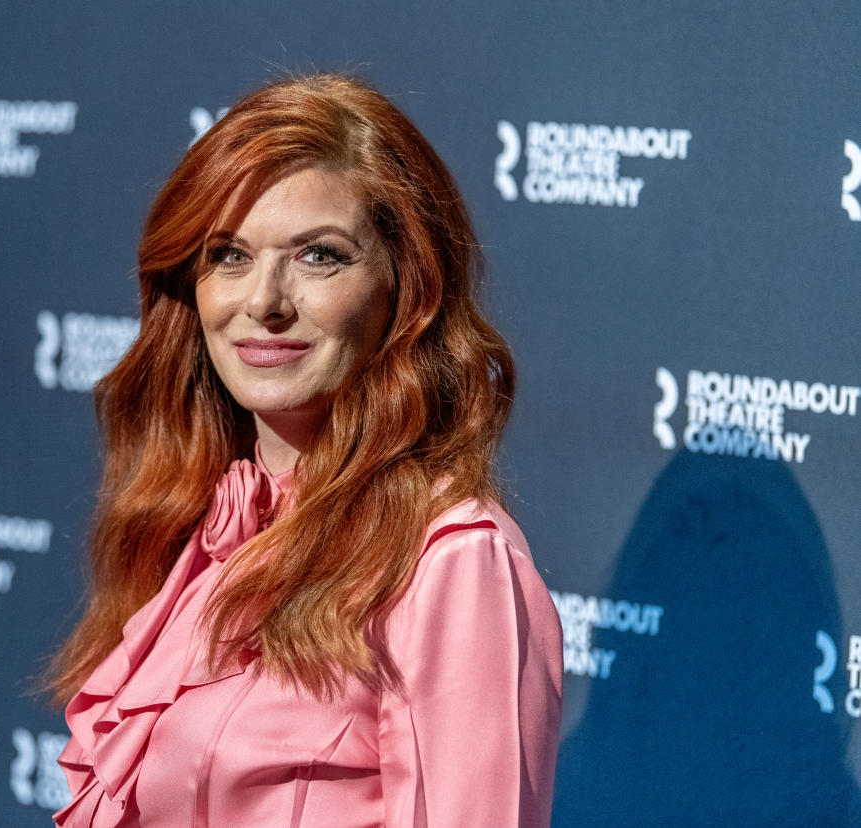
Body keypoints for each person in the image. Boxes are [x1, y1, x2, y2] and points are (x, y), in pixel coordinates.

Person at [48, 74, 562, 827]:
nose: (265, 302)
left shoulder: (453, 563)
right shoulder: (208, 528)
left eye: (319, 256)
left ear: (405, 291)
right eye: (229, 255)